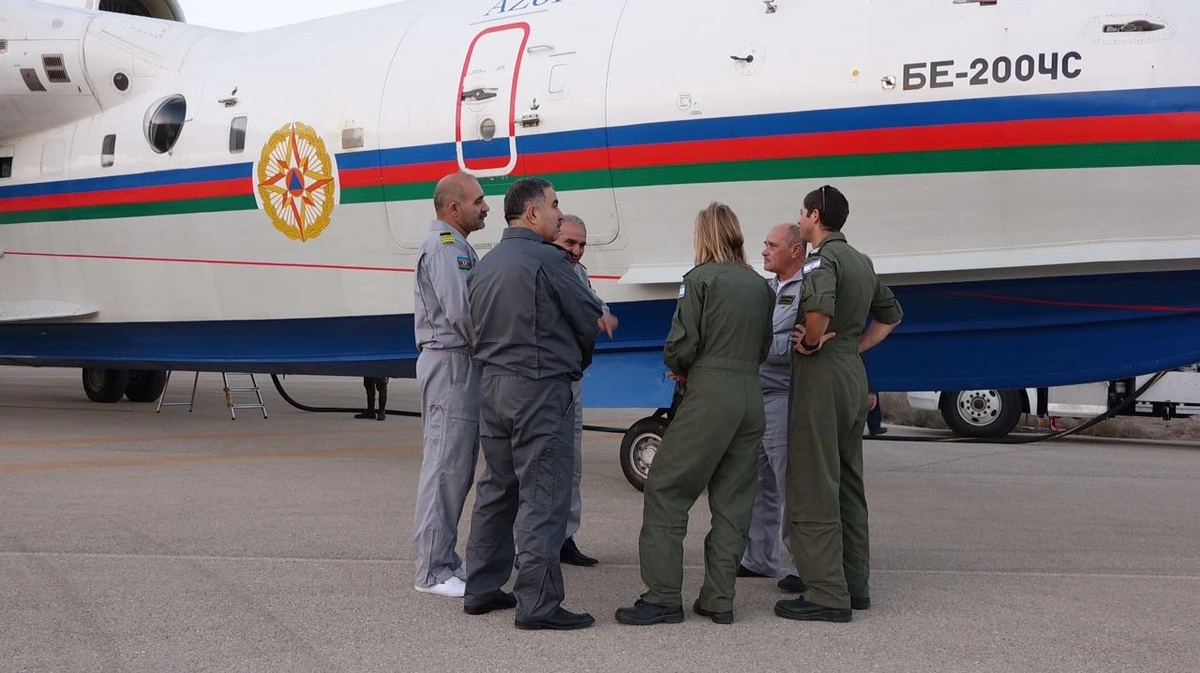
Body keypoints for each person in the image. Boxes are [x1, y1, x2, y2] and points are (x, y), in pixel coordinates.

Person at [615, 203, 774, 626]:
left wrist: (682, 366)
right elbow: (763, 347)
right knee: (734, 501)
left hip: (710, 392)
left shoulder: (699, 280)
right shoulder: (762, 286)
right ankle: (719, 599)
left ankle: (664, 597)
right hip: (749, 395)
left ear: (703, 236)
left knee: (667, 489)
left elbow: (681, 345)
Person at [463, 177, 603, 631]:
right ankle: (538, 603)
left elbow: (472, 324)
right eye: (555, 205)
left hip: (494, 386)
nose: (560, 214)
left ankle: (481, 587)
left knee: (497, 488)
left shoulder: (484, 264)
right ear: (532, 213)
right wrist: (573, 365)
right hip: (540, 388)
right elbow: (588, 317)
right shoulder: (550, 260)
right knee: (544, 494)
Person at [776, 185, 903, 623]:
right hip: (851, 374)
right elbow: (891, 315)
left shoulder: (821, 259)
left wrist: (812, 342)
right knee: (849, 482)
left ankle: (827, 593)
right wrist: (855, 347)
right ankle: (855, 584)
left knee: (813, 482)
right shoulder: (861, 261)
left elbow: (819, 308)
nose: (800, 219)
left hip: (822, 377)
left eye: (802, 213)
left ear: (814, 215)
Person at [411, 172, 489, 598]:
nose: (486, 207)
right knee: (444, 467)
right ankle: (431, 571)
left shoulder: (457, 246)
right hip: (452, 362)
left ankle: (443, 554)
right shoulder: (443, 249)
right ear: (453, 208)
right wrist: (498, 350)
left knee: (457, 470)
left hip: (460, 362)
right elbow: (462, 312)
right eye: (479, 200)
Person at [738, 223, 805, 593]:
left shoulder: (806, 289)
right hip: (756, 395)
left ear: (795, 251)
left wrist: (755, 347)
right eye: (764, 244)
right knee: (759, 483)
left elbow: (800, 346)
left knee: (790, 484)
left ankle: (803, 564)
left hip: (783, 398)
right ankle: (759, 558)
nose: (763, 251)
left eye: (771, 245)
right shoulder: (767, 289)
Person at [552, 214, 619, 567]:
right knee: (540, 465)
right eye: (569, 243)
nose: (576, 251)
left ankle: (565, 537)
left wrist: (601, 315)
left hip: (573, 376)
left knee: (572, 462)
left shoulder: (577, 272)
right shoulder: (544, 269)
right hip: (546, 380)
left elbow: (597, 303)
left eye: (581, 244)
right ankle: (527, 545)